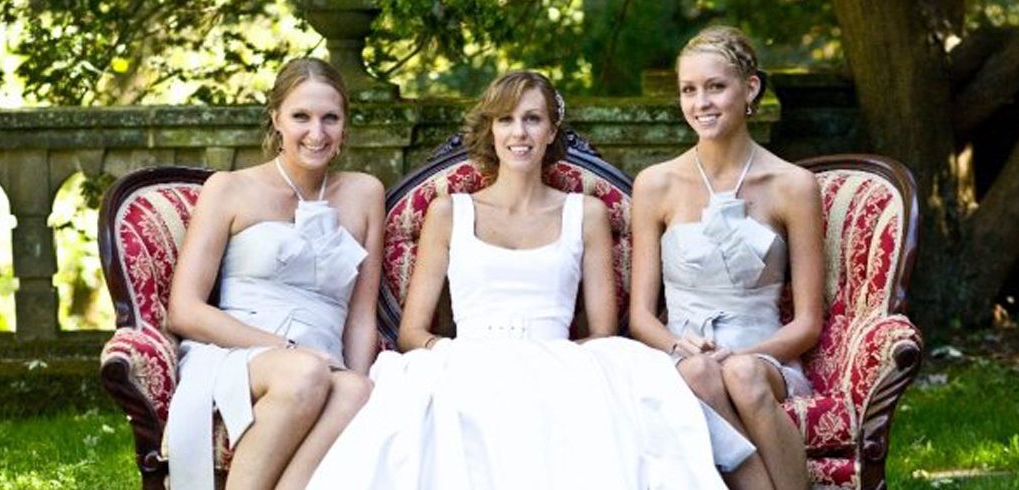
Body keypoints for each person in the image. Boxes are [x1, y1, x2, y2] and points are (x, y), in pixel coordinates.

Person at [307, 71, 752, 490]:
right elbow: (412, 332)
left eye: (533, 119)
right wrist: (461, 355)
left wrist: (536, 362)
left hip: (558, 357)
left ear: (552, 130)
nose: (519, 133)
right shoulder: (449, 212)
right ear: (492, 129)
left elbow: (600, 331)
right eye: (506, 120)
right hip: (466, 358)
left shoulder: (587, 213)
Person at [165, 57, 383, 490]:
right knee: (303, 373)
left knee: (356, 392)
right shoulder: (229, 189)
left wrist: (356, 373)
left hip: (324, 362)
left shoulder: (364, 193)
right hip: (239, 353)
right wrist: (285, 348)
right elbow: (184, 310)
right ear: (276, 119)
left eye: (330, 118)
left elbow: (361, 314)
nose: (316, 133)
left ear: (345, 126)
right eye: (301, 116)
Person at [629, 25, 825, 489]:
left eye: (716, 87)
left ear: (750, 87)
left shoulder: (793, 185)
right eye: (689, 90)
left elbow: (808, 323)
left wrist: (743, 353)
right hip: (681, 352)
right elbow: (640, 316)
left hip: (764, 356)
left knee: (740, 375)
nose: (702, 103)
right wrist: (681, 347)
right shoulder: (655, 184)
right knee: (700, 372)